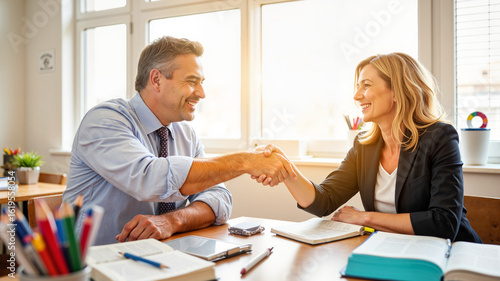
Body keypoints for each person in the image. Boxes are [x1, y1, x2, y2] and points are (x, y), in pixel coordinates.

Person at [63, 36, 296, 245]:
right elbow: (150, 179)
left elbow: (218, 199)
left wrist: (172, 221)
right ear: (156, 80)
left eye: (202, 81)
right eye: (192, 81)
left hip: (159, 258)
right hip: (92, 265)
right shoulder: (105, 121)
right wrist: (245, 161)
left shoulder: (185, 133)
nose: (202, 93)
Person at [257, 53, 481, 242]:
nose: (356, 96)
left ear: (397, 92)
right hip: (393, 250)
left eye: (366, 85)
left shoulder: (439, 137)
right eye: (357, 87)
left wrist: (366, 218)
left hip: (450, 257)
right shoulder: (364, 146)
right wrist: (286, 170)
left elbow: (443, 223)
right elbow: (324, 201)